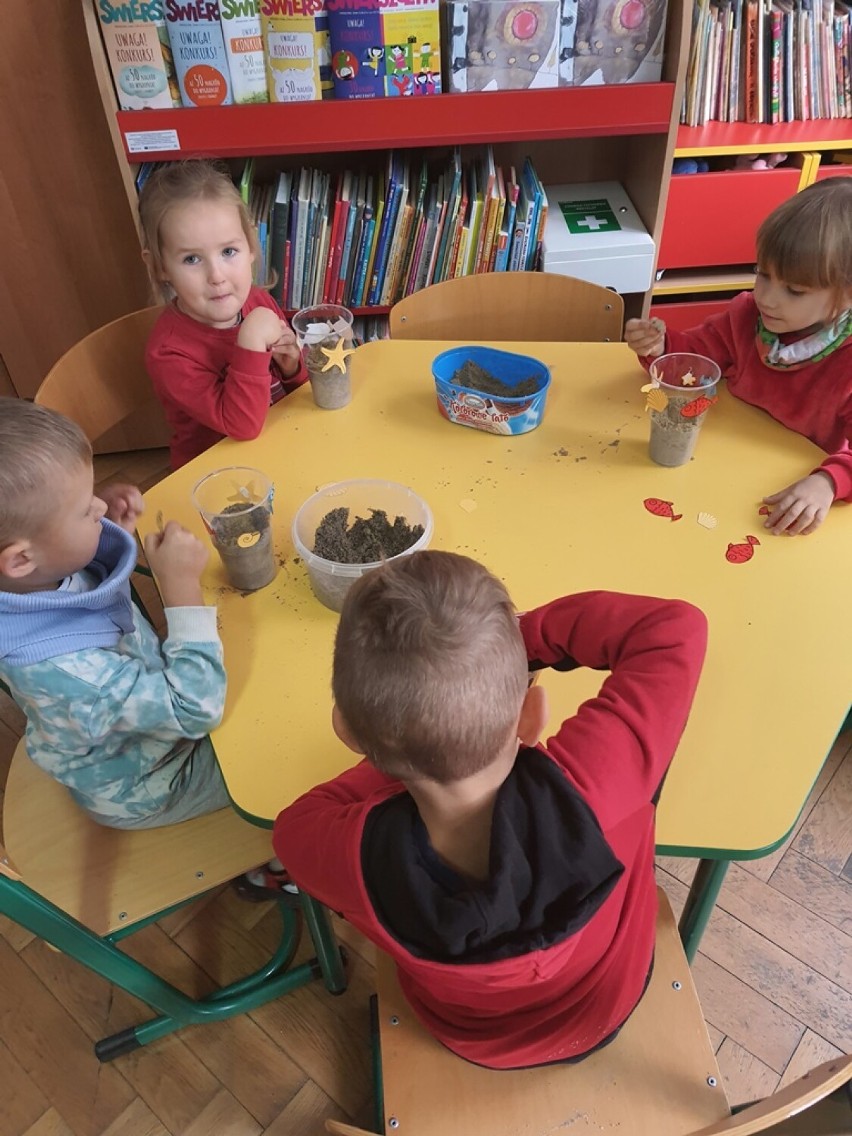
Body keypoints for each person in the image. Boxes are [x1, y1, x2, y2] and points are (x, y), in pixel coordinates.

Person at [273, 550, 707, 1069]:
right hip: (609, 1000)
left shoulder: (349, 855)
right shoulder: (593, 785)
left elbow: (293, 827)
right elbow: (675, 629)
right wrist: (517, 641)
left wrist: (396, 750)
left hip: (468, 1038)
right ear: (531, 717)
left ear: (345, 732)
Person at [0, 398, 231, 828]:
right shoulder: (65, 670)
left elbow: (82, 587)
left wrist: (90, 532)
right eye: (84, 510)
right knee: (280, 767)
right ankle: (272, 866)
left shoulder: (26, 580)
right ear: (20, 560)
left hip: (143, 709)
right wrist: (179, 588)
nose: (101, 509)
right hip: (151, 782)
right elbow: (197, 709)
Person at [625, 178, 852, 537]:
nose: (767, 298)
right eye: (762, 274)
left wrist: (827, 482)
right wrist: (658, 346)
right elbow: (694, 359)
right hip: (713, 467)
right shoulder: (747, 317)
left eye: (794, 290)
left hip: (780, 494)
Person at [138, 160, 306, 470]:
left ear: (251, 245)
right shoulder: (168, 353)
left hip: (282, 446)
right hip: (216, 475)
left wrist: (293, 366)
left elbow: (299, 391)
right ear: (160, 267)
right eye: (191, 259)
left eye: (228, 251)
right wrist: (252, 341)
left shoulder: (257, 300)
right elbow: (242, 427)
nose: (216, 276)